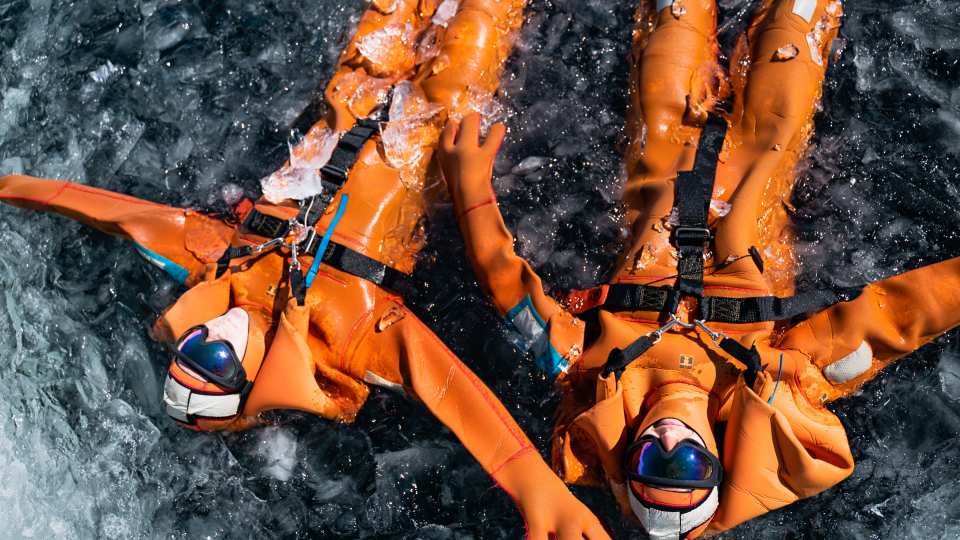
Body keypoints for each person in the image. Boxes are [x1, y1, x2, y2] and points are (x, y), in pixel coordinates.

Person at [0, 1, 610, 538]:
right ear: (249, 380)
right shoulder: (349, 341)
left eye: (191, 345)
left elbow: (115, 215)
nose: (214, 335)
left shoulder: (219, 269)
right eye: (215, 362)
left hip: (349, 110)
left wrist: (11, 186)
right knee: (476, 24)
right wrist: (535, 485)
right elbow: (451, 391)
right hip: (421, 142)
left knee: (390, 20)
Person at [440, 0, 960, 537]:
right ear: (716, 462)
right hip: (758, 167)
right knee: (794, 28)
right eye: (689, 468)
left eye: (652, 467)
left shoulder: (589, 371)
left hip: (664, 150)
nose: (668, 444)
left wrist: (470, 193)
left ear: (629, 465)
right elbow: (900, 317)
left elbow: (509, 293)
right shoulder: (777, 381)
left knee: (672, 24)